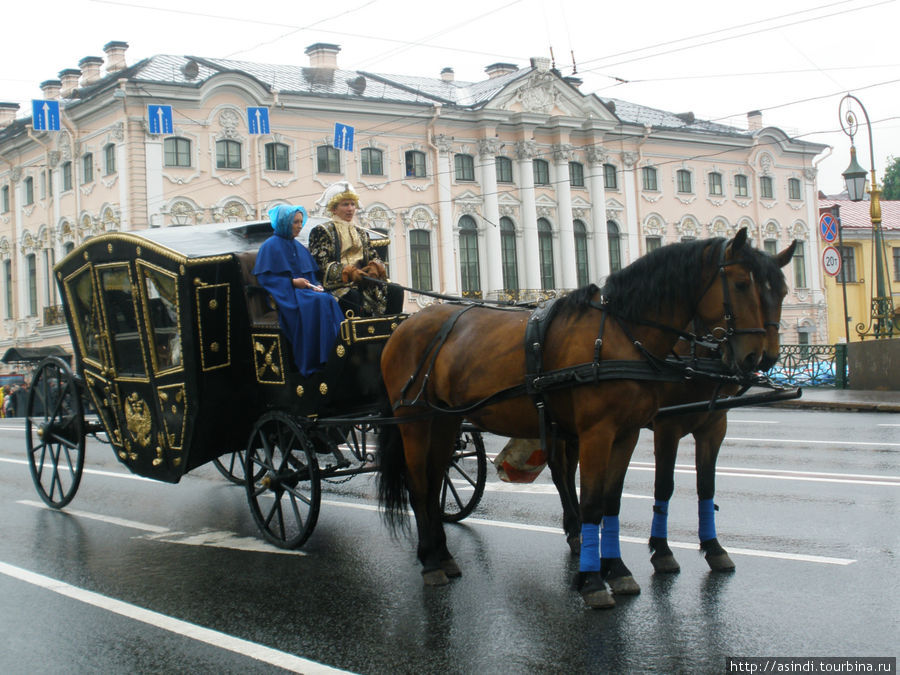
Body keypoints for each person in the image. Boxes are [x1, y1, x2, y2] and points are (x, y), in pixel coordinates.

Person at [253, 204, 344, 377]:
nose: (299, 226)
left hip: (305, 292)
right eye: (295, 222)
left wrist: (316, 285)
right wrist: (293, 282)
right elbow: (267, 279)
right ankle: (317, 358)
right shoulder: (269, 246)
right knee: (319, 301)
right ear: (284, 223)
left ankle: (335, 350)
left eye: (300, 222)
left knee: (328, 298)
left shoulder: (299, 247)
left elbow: (310, 275)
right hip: (286, 295)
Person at [308, 181, 404, 317]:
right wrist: (349, 272)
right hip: (337, 287)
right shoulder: (322, 231)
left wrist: (374, 268)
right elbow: (321, 265)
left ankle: (390, 330)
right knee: (352, 297)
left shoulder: (361, 233)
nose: (350, 209)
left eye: (353, 204)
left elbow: (374, 256)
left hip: (364, 283)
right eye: (345, 204)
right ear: (334, 208)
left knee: (396, 290)